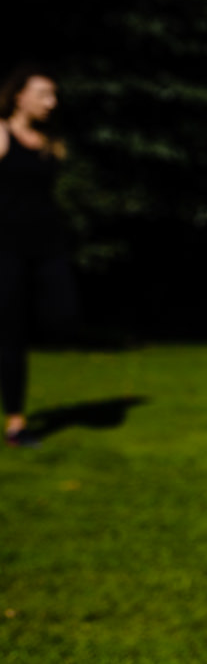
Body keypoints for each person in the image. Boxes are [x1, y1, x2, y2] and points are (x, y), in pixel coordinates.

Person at [0, 65, 77, 449]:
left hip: (47, 247)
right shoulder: (0, 135)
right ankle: (17, 424)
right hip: (6, 249)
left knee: (62, 315)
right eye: (43, 94)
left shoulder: (49, 142)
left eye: (53, 95)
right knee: (11, 335)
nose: (52, 102)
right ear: (19, 96)